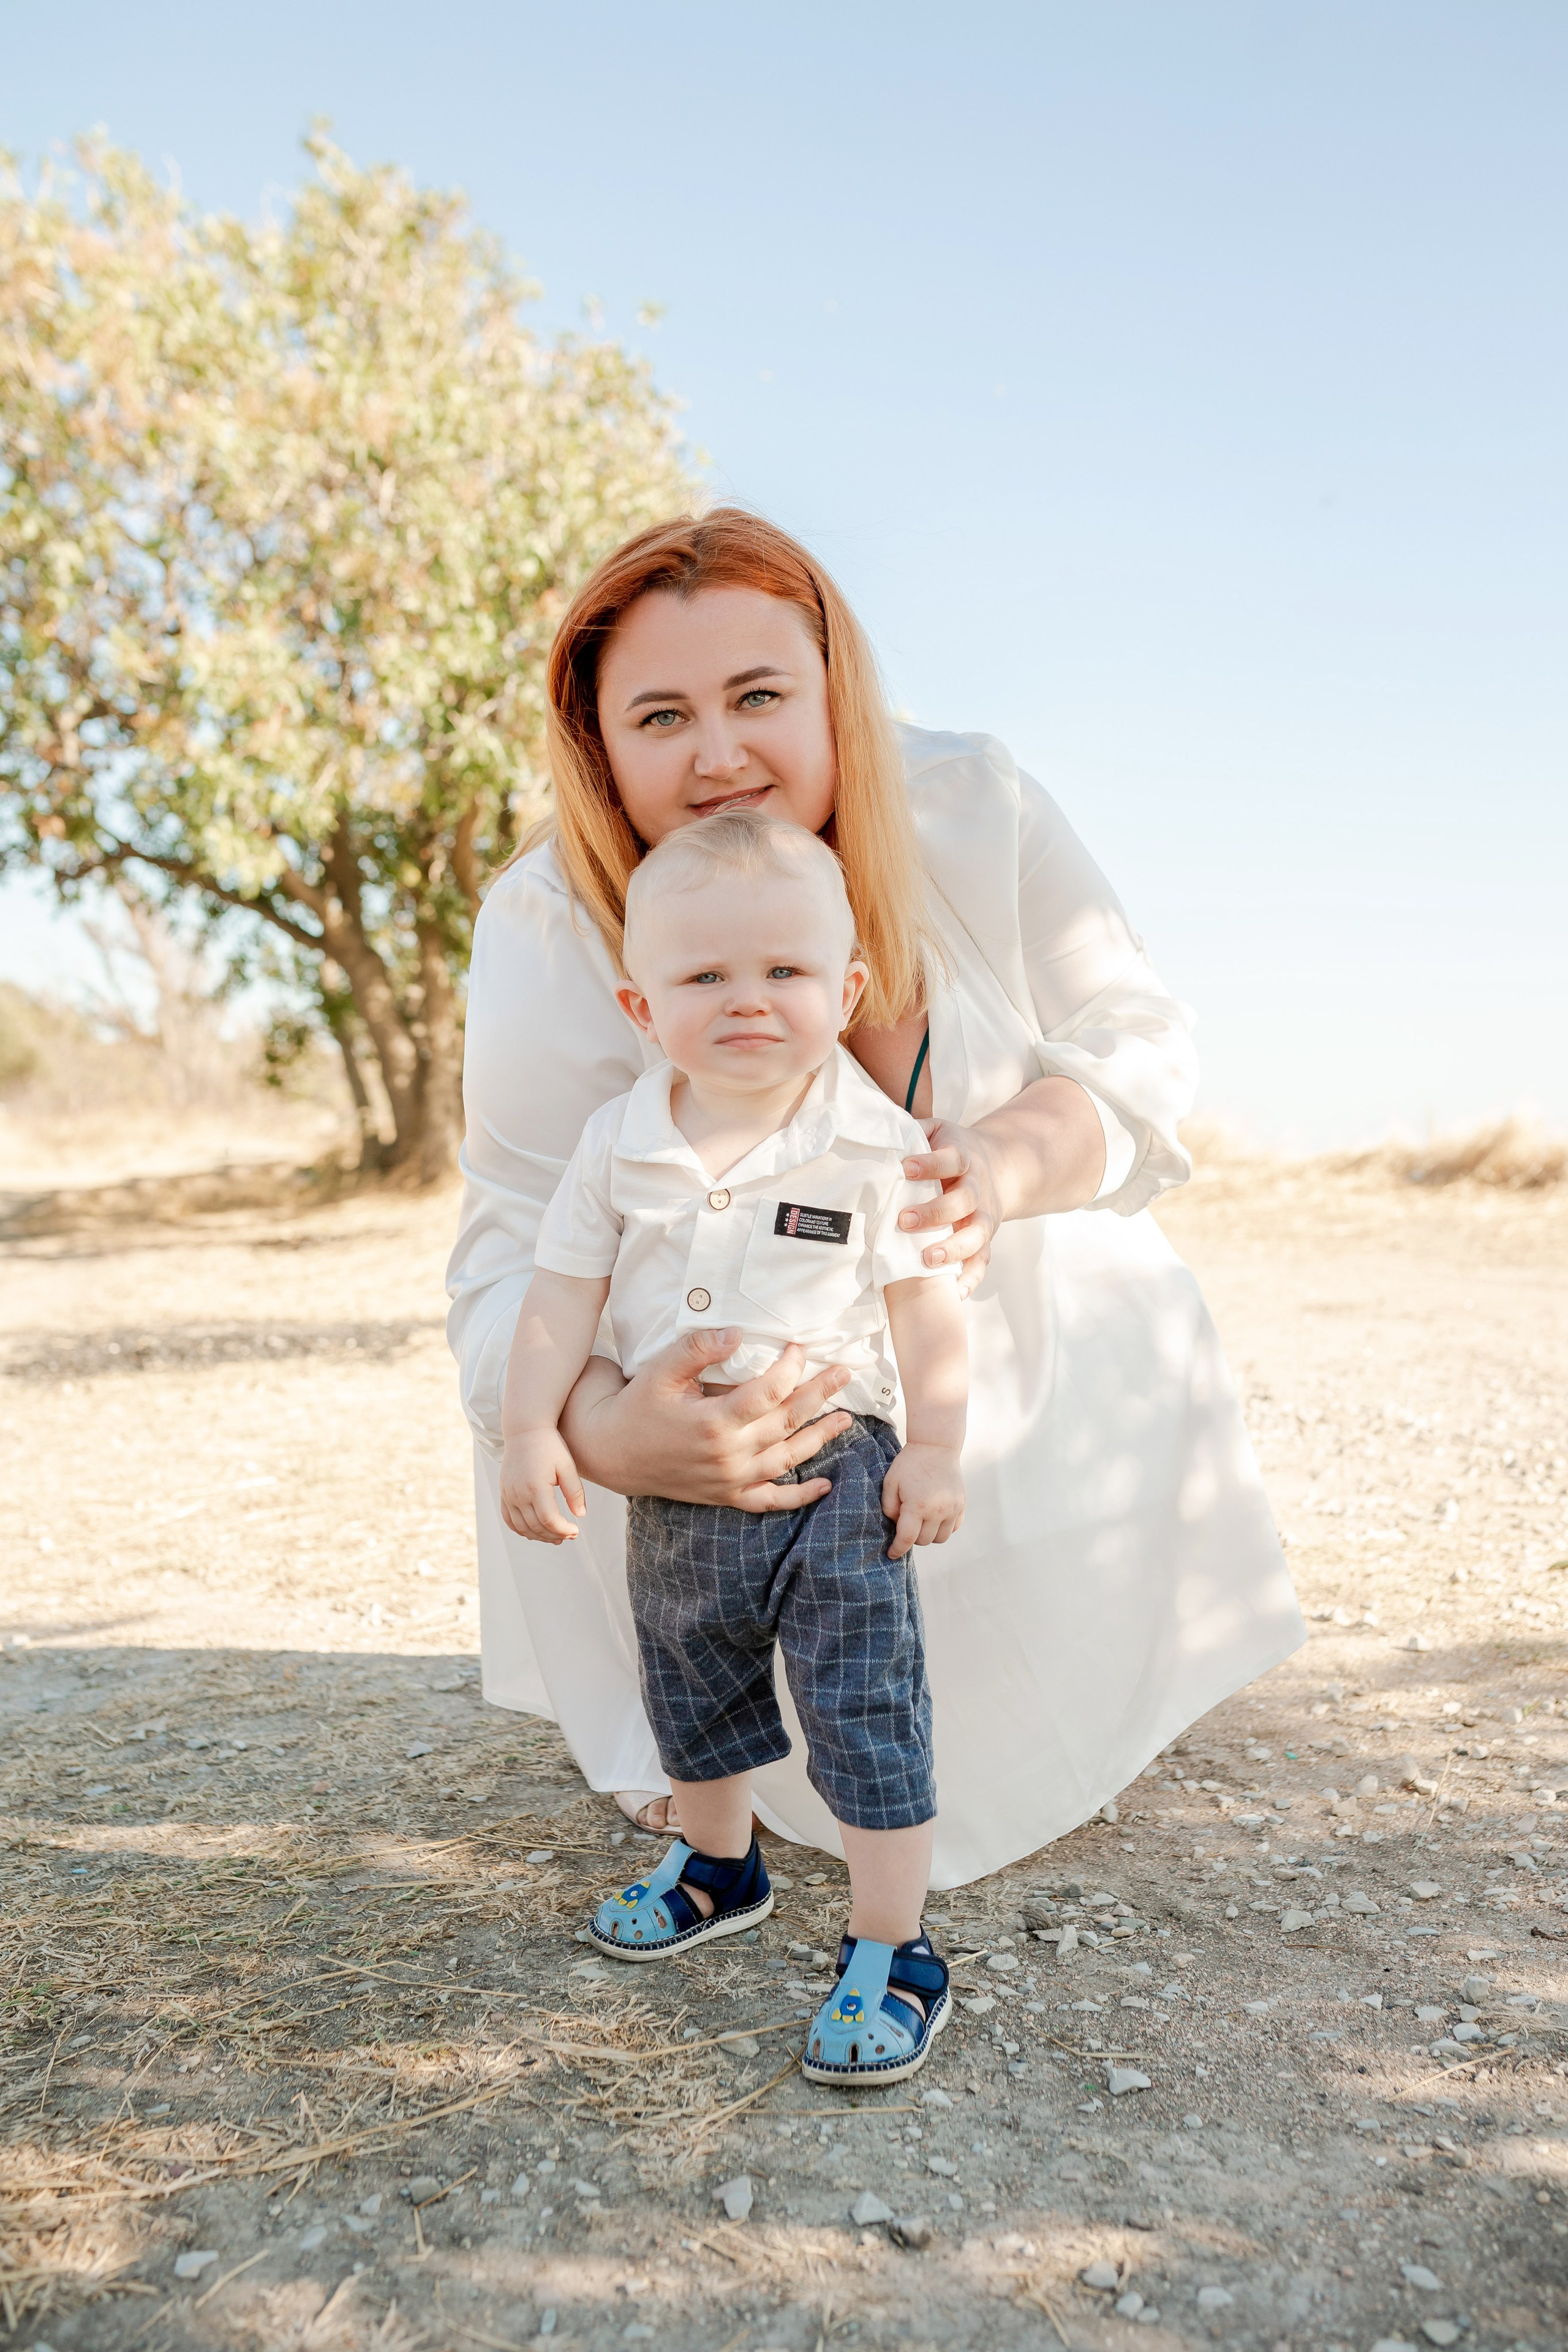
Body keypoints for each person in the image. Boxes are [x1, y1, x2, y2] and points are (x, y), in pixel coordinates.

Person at [445, 507, 1304, 1891]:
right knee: (556, 1371)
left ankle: (1035, 1681)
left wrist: (1015, 1153)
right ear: (598, 745)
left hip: (955, 1352)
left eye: (760, 696)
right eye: (659, 716)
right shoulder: (546, 921)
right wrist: (609, 1431)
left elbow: (1143, 1036)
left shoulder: (972, 802)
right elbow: (504, 1256)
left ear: (836, 688)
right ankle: (699, 1755)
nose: (718, 754)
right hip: (698, 1386)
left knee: (1054, 1263)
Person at [499, 807, 966, 2082]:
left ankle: (895, 1944)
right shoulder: (621, 1142)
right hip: (680, 1473)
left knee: (862, 1701)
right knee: (688, 1678)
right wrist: (530, 1426)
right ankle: (719, 1863)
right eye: (704, 976)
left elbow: (928, 1311)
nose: (747, 1000)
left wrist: (934, 1450)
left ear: (845, 988)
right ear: (642, 1008)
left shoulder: (880, 1148)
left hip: (837, 1472)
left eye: (783, 971)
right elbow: (558, 1297)